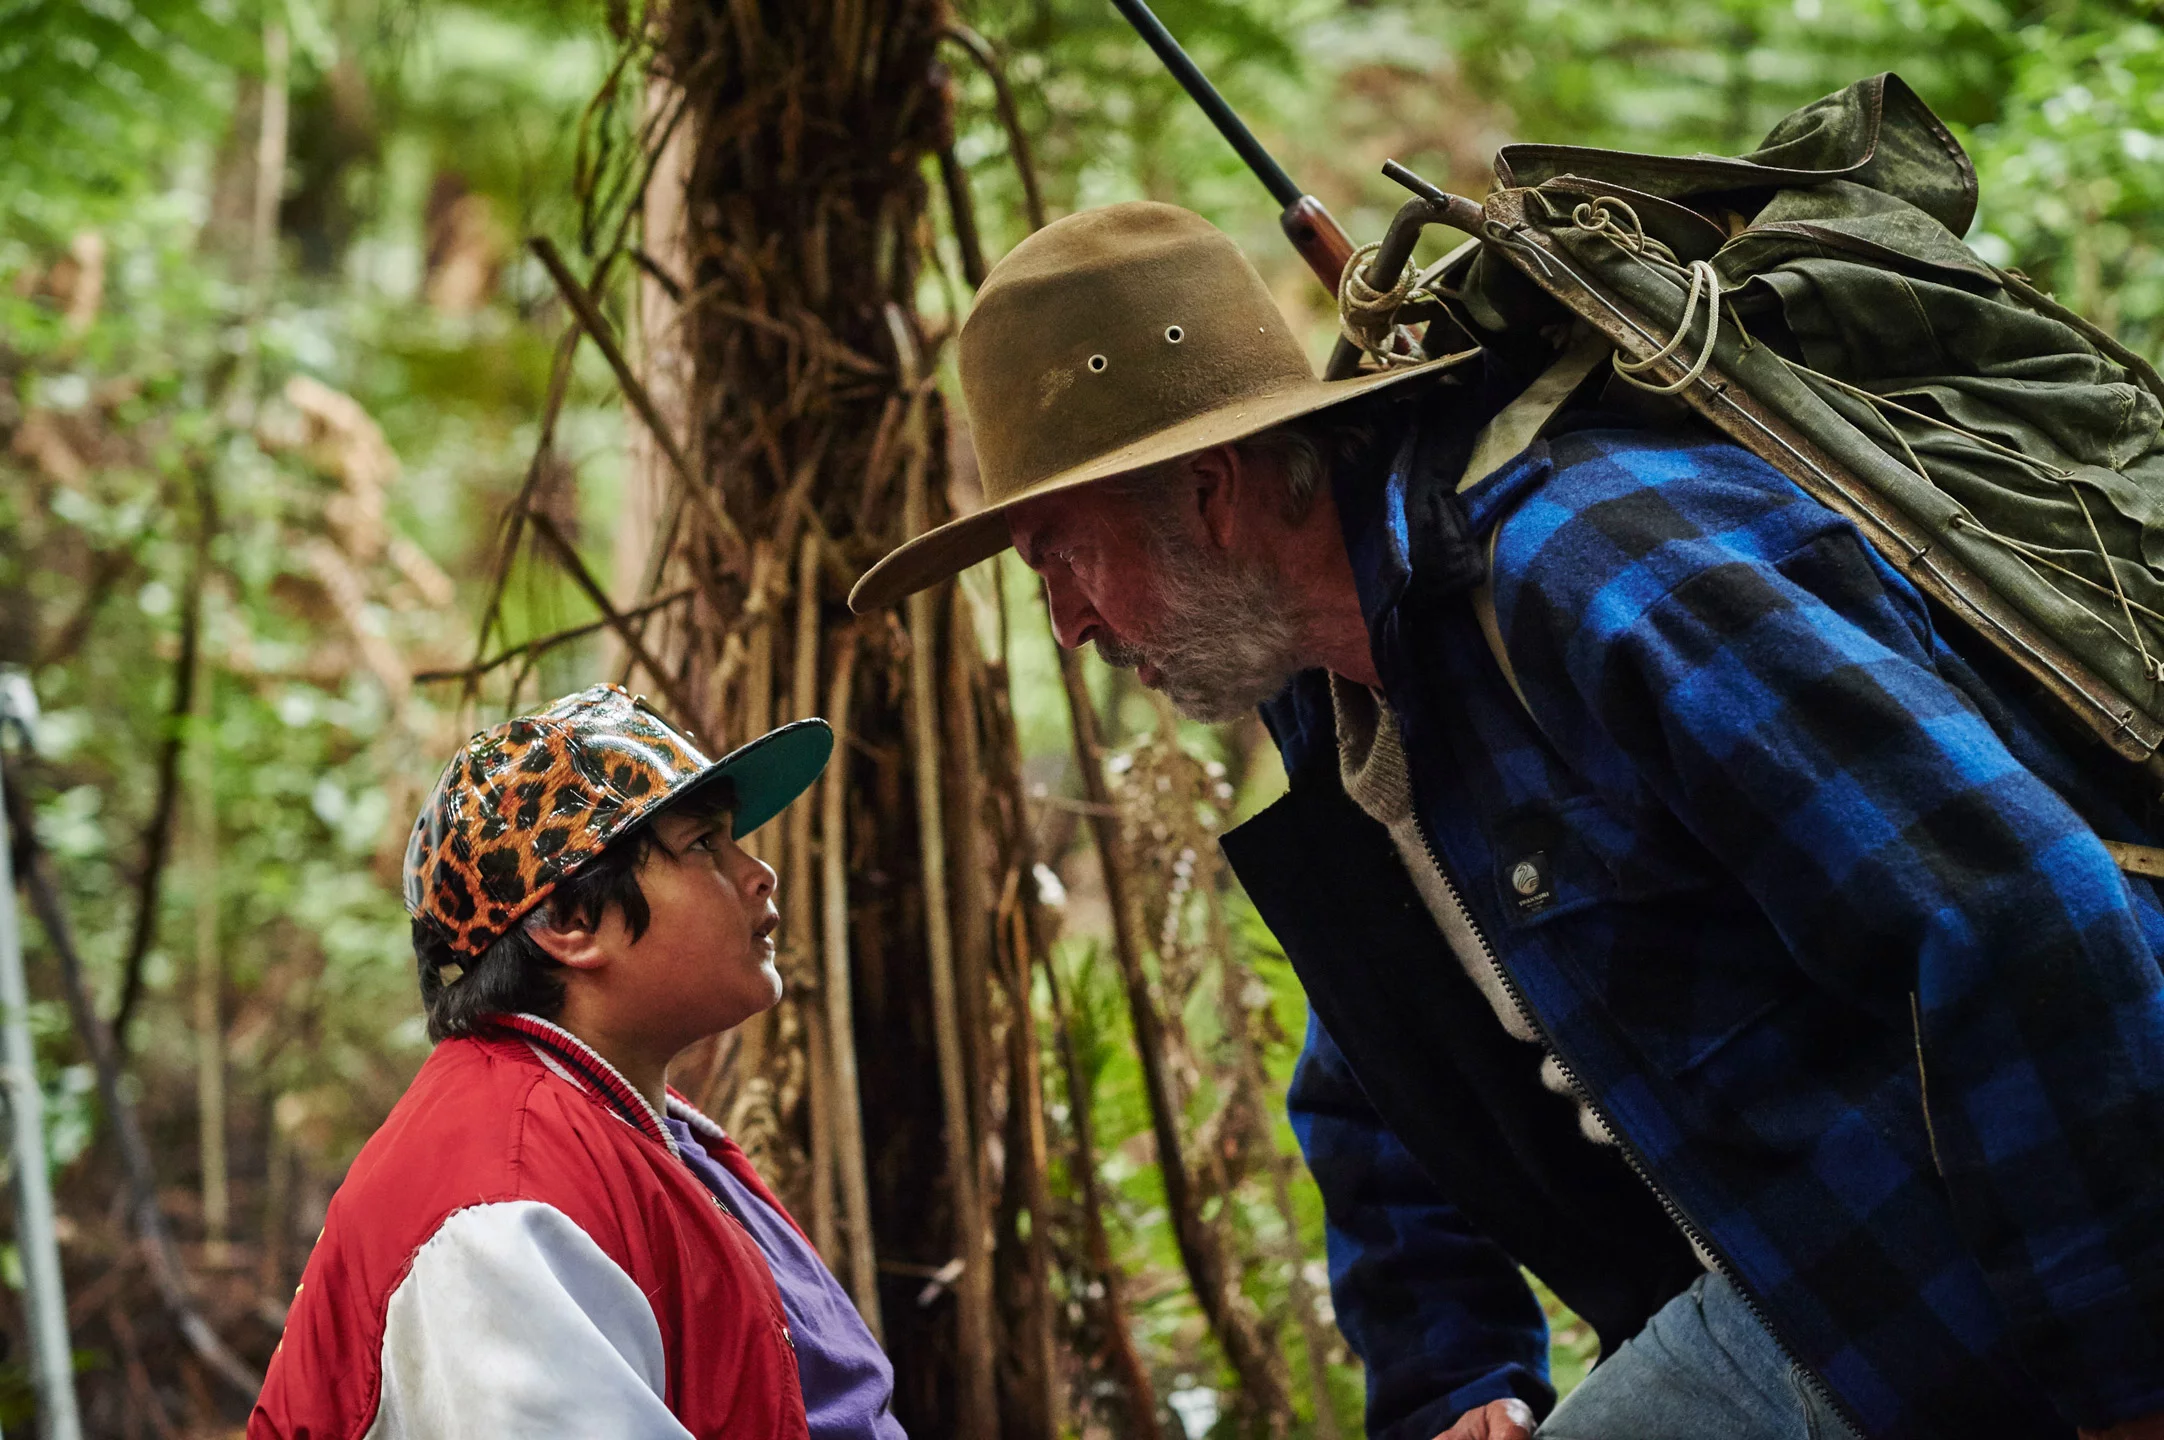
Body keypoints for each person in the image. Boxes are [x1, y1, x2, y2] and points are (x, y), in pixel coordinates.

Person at [848, 201, 2164, 1440]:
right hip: (1797, 1293)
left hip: (1983, 1298)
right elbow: (1384, 1076)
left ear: (1212, 493)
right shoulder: (1338, 703)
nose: (1069, 625)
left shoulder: (1595, 571)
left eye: (1062, 557)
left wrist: (2122, 1390)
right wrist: (1454, 1373)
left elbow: (2019, 916)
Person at [250, 683, 902, 1440]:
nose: (760, 873)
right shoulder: (499, 1211)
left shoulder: (632, 1128)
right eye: (703, 845)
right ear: (568, 921)